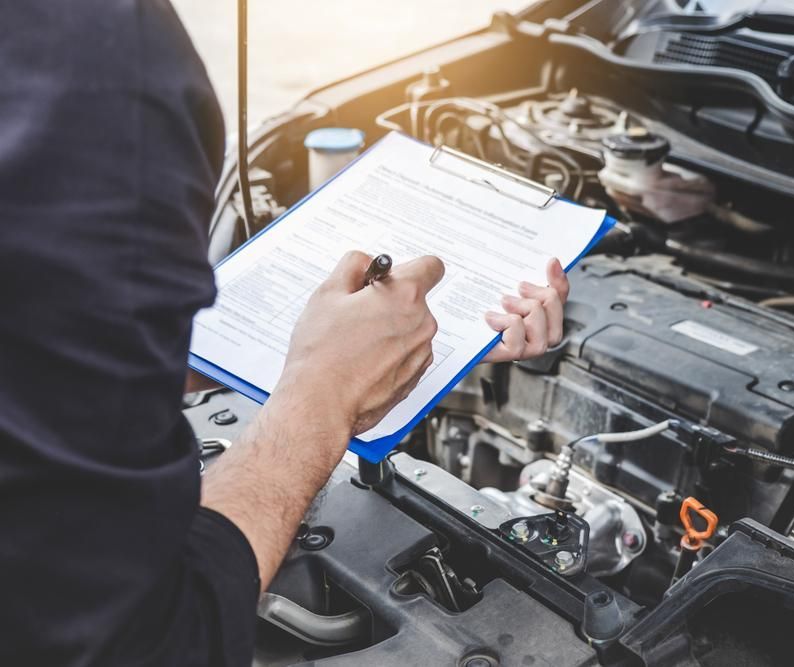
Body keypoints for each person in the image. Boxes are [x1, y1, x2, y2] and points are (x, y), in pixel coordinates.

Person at [0, 1, 570, 665]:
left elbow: (41, 354)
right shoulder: (90, 62)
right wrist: (324, 388)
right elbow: (132, 641)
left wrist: (363, 343)